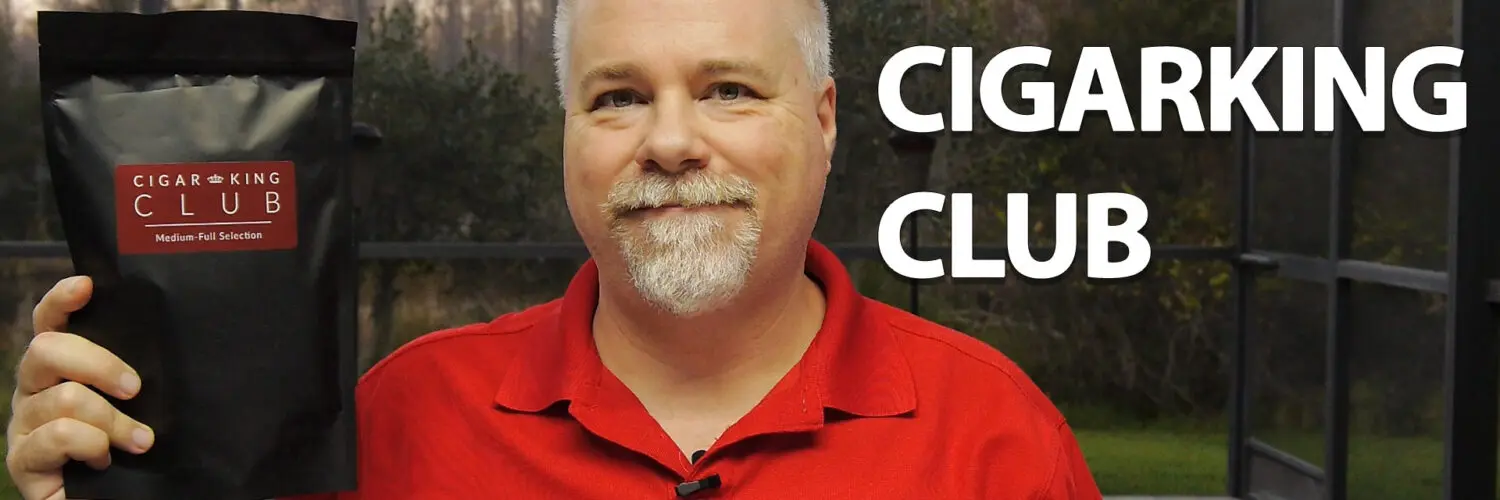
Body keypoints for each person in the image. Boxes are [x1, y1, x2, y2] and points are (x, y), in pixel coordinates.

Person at [6, 0, 1103, 498]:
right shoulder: (394, 424)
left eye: (728, 89)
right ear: (568, 134)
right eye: (617, 97)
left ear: (823, 123)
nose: (670, 142)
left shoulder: (995, 438)